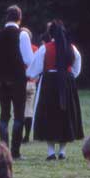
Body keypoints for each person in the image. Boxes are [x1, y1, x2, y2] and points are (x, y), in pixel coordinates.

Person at [26, 20, 83, 160]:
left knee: (49, 114)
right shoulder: (72, 48)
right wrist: (69, 77)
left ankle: (51, 152)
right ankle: (62, 151)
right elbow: (77, 68)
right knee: (66, 115)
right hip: (67, 83)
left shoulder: (45, 48)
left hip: (50, 83)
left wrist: (33, 75)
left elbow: (34, 68)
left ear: (50, 33)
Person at [0, 5, 34, 159]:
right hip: (18, 80)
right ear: (19, 18)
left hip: (1, 80)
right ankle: (15, 152)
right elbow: (29, 59)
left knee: (4, 116)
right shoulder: (22, 35)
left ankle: (4, 152)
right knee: (19, 116)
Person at [22, 27, 38, 143]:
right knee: (29, 110)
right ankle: (27, 135)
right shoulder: (35, 49)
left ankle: (19, 135)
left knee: (18, 110)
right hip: (32, 82)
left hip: (20, 82)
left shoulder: (17, 49)